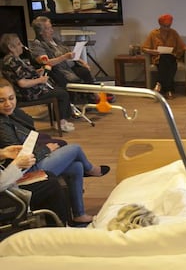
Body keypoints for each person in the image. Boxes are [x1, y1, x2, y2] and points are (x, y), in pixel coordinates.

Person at [0, 78, 110, 224]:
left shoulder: (11, 115)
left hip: (25, 162)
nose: (8, 104)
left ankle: (79, 214)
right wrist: (46, 149)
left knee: (76, 167)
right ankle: (91, 169)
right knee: (75, 149)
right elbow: (20, 158)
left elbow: (26, 140)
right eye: (2, 101)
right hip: (24, 169)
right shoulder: (2, 125)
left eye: (11, 98)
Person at [0, 33, 75, 132]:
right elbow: (22, 83)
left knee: (59, 90)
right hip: (27, 94)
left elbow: (22, 75)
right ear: (11, 47)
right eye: (18, 44)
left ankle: (59, 120)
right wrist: (40, 80)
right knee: (62, 94)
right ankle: (60, 122)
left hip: (27, 91)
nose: (22, 45)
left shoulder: (12, 60)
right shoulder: (12, 61)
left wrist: (37, 72)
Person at [0, 145, 68, 226]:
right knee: (51, 185)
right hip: (5, 199)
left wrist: (3, 153)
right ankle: (59, 232)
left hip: (6, 187)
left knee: (49, 176)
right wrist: (16, 165)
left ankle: (59, 226)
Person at [29, 16, 95, 92]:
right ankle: (94, 96)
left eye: (51, 27)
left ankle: (92, 94)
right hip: (59, 71)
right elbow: (46, 62)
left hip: (69, 67)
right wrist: (64, 57)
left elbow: (68, 53)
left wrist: (82, 62)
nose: (52, 31)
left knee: (84, 71)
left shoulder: (56, 40)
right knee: (79, 74)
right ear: (40, 32)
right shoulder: (37, 44)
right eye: (48, 29)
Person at [142, 14, 186, 99]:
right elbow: (144, 48)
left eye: (168, 26)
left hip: (172, 57)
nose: (167, 28)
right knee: (166, 60)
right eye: (164, 26)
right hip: (158, 58)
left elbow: (181, 45)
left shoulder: (173, 33)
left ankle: (159, 83)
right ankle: (168, 90)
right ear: (160, 25)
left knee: (169, 58)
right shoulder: (153, 34)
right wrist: (152, 51)